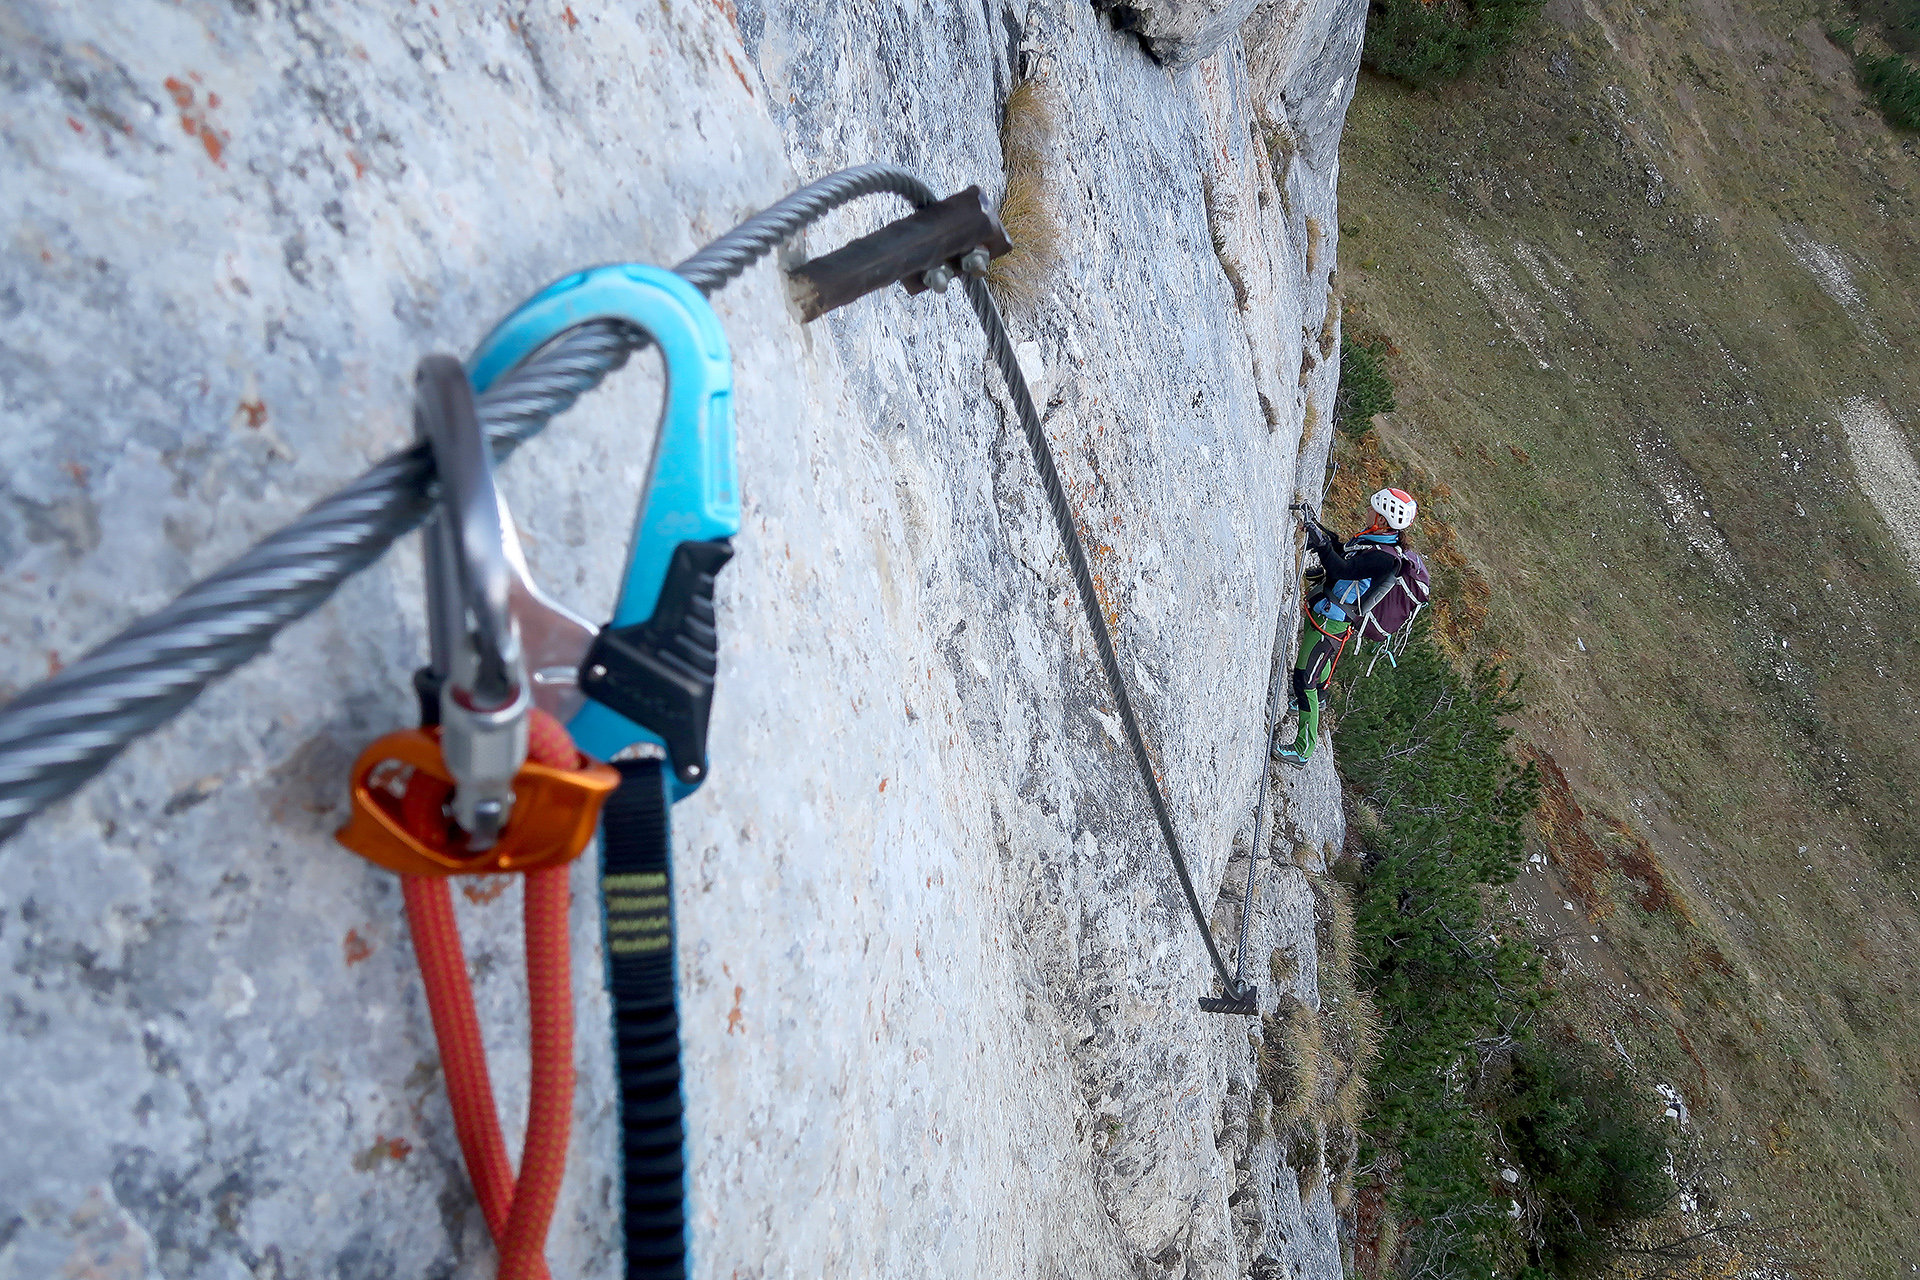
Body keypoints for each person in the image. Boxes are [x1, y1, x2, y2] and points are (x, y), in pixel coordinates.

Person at [1274, 487, 1418, 767]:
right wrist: (1322, 536)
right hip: (1332, 617)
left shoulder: (1384, 557)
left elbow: (1344, 571)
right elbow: (1346, 557)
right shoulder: (1377, 541)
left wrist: (1323, 545)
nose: (1367, 510)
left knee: (1304, 681)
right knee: (1319, 665)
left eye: (1372, 509)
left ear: (1384, 519)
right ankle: (1322, 695)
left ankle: (1303, 750)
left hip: (1332, 620)